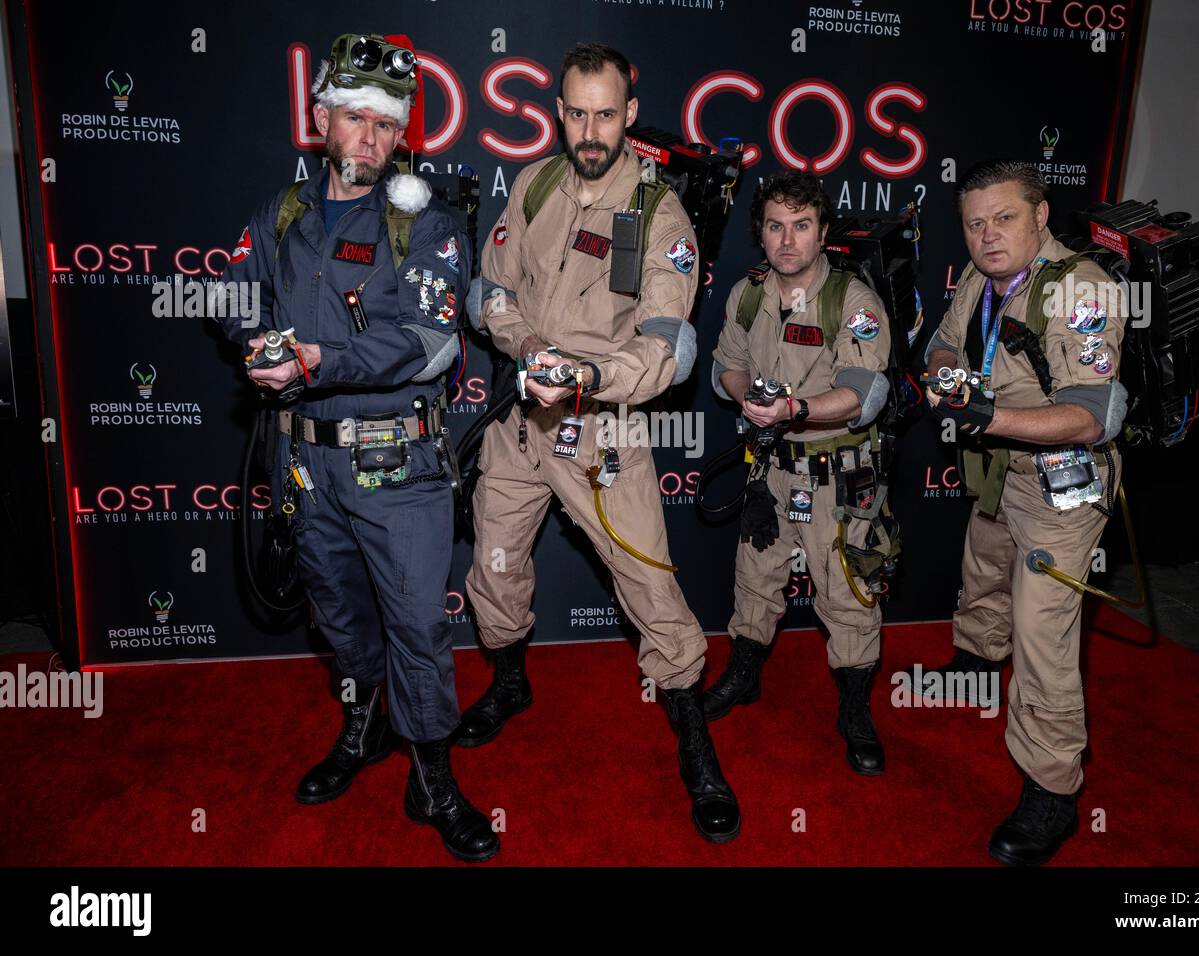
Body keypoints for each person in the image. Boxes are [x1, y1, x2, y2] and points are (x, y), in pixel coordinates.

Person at [213, 32, 498, 862]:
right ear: (320, 118)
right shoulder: (284, 212)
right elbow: (232, 287)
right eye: (354, 118)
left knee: (418, 626)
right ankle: (364, 724)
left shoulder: (427, 221)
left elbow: (431, 340)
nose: (369, 139)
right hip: (304, 464)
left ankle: (434, 772)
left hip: (396, 465)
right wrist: (255, 340)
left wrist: (316, 359)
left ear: (402, 134)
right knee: (338, 617)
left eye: (385, 124)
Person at [460, 41, 741, 844]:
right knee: (495, 566)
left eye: (606, 114)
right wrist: (526, 351)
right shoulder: (536, 183)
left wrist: (580, 376)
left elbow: (664, 344)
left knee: (649, 586)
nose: (591, 129)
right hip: (519, 426)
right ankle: (511, 684)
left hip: (602, 431)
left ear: (630, 114)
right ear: (559, 112)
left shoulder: (660, 215)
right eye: (577, 112)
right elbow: (493, 291)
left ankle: (693, 736)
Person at [918, 159, 1127, 866]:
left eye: (1004, 218)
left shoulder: (1082, 290)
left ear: (1040, 215)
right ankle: (977, 660)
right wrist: (946, 370)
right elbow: (943, 341)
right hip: (1000, 466)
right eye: (975, 223)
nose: (987, 234)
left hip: (1061, 480)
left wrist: (987, 412)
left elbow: (1090, 417)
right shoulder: (981, 279)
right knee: (984, 565)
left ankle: (1052, 786)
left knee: (1041, 626)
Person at [708, 171, 894, 775]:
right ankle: (744, 675)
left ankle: (855, 709)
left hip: (836, 474)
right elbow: (727, 365)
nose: (788, 241)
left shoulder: (854, 301)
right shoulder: (747, 295)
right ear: (760, 233)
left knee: (846, 594)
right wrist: (749, 400)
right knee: (755, 577)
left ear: (821, 232)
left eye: (801, 226)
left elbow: (864, 392)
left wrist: (797, 410)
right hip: (769, 467)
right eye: (775, 226)